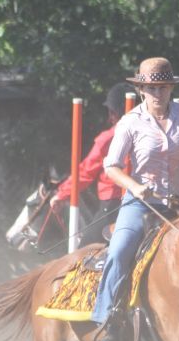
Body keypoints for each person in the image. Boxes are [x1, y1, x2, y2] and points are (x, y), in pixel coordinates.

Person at [92, 57, 179, 341]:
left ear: (171, 88)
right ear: (142, 89)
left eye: (163, 87)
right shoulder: (130, 123)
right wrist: (135, 186)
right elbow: (112, 166)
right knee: (121, 248)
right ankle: (109, 316)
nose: (158, 93)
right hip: (139, 202)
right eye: (152, 88)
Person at [49, 82, 135, 247]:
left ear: (116, 112)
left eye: (112, 112)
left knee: (83, 251)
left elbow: (86, 172)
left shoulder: (108, 138)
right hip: (148, 200)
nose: (109, 118)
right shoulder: (153, 132)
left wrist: (62, 194)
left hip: (114, 204)